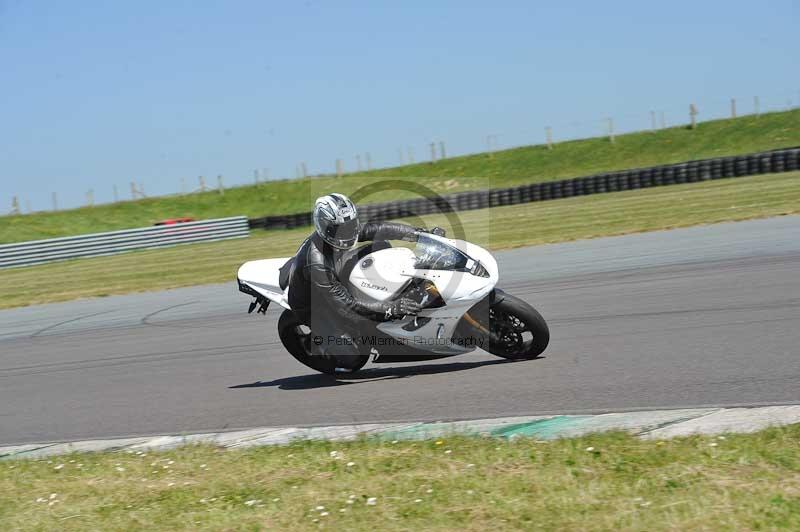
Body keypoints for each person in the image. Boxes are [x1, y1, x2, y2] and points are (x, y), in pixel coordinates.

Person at [286, 192, 440, 370]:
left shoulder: (341, 229)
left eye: (350, 225)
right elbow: (346, 306)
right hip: (315, 305)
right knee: (353, 358)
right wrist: (391, 308)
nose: (346, 232)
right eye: (339, 229)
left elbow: (379, 229)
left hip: (335, 273)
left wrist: (420, 235)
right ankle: (316, 342)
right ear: (324, 226)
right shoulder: (316, 264)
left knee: (381, 245)